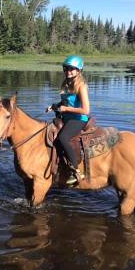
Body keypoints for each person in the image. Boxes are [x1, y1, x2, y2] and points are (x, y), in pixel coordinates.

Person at [47, 55, 90, 184]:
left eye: (72, 69)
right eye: (66, 68)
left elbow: (86, 110)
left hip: (79, 119)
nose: (68, 71)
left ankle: (76, 171)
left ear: (79, 70)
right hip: (66, 117)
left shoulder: (81, 86)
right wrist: (55, 106)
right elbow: (65, 102)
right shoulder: (66, 84)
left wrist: (66, 109)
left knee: (63, 138)